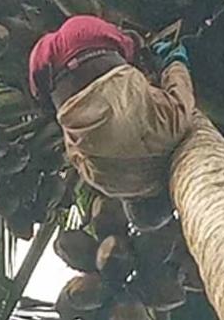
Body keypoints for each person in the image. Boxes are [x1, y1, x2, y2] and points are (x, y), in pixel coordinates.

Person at [28, 15, 194, 230]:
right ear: (129, 202)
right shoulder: (102, 182)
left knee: (135, 45)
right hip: (47, 70)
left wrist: (174, 60)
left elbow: (179, 86)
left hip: (94, 38)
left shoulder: (171, 133)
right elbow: (73, 150)